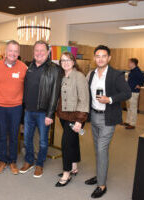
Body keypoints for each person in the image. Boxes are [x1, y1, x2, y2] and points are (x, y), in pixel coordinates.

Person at [85, 45, 131, 198]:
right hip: (94, 116)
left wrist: (110, 99)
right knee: (97, 149)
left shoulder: (116, 74)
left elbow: (127, 93)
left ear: (109, 58)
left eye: (103, 56)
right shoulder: (91, 74)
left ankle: (102, 185)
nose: (100, 59)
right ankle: (100, 176)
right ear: (94, 58)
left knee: (101, 150)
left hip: (108, 118)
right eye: (97, 56)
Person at [19, 40, 63, 178]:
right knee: (27, 139)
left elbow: (55, 94)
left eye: (42, 51)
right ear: (33, 52)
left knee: (43, 141)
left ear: (48, 52)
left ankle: (39, 164)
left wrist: (50, 114)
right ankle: (29, 161)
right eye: (36, 50)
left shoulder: (55, 69)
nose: (39, 53)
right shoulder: (29, 67)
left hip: (43, 113)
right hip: (28, 111)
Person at [0, 40, 27, 174]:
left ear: (18, 53)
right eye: (10, 50)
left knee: (13, 135)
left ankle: (12, 162)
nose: (13, 53)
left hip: (16, 107)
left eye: (15, 51)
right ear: (5, 52)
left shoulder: (23, 67)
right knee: (1, 135)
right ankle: (2, 161)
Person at [55, 52, 89, 187]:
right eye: (63, 60)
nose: (65, 62)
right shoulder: (62, 76)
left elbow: (84, 100)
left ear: (73, 61)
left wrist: (79, 121)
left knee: (66, 144)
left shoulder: (79, 76)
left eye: (68, 60)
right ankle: (74, 166)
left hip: (75, 117)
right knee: (73, 141)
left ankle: (66, 173)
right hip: (64, 116)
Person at [124, 58, 144, 129]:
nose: (128, 64)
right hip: (129, 91)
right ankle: (128, 121)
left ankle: (132, 124)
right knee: (129, 108)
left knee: (133, 108)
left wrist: (139, 85)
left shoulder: (137, 70)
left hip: (134, 92)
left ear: (133, 63)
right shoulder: (132, 71)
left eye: (129, 62)